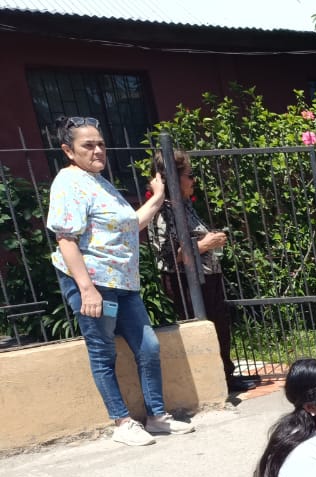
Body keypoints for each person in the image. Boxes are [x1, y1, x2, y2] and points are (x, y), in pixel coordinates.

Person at [46, 115, 195, 446]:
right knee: (103, 353)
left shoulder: (99, 182)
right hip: (95, 283)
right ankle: (122, 422)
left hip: (124, 284)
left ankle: (157, 417)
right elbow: (66, 239)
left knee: (148, 346)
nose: (98, 150)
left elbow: (130, 225)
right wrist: (86, 289)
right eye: (88, 145)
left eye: (101, 144)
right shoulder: (68, 183)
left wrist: (157, 198)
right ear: (68, 151)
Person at [150, 149, 256, 395]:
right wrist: (205, 244)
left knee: (220, 324)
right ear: (175, 179)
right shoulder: (162, 212)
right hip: (186, 282)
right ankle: (210, 383)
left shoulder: (184, 205)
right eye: (190, 175)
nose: (194, 180)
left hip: (207, 276)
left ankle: (225, 376)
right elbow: (168, 255)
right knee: (200, 328)